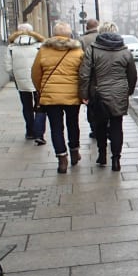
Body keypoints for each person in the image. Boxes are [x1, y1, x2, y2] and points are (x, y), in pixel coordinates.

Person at [80, 20, 137, 171]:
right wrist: (128, 91)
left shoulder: (92, 50)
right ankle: (116, 160)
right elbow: (132, 75)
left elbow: (85, 74)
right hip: (119, 92)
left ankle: (102, 154)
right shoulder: (125, 51)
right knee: (117, 125)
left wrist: (84, 94)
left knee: (100, 125)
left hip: (98, 93)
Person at [31, 21, 85, 174]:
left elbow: (35, 73)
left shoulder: (43, 50)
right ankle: (74, 151)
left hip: (51, 96)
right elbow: (83, 73)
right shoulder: (77, 51)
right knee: (73, 124)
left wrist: (41, 89)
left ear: (54, 34)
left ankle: (62, 158)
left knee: (56, 127)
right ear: (70, 35)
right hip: (72, 95)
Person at [4, 22, 47, 145]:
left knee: (26, 106)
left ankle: (30, 131)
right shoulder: (39, 45)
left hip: (21, 82)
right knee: (40, 106)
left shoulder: (11, 47)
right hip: (38, 80)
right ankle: (39, 133)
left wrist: (16, 75)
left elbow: (8, 67)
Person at [80, 18, 100, 137]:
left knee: (91, 104)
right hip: (102, 75)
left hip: (89, 76)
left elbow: (80, 60)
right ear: (97, 26)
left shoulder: (82, 40)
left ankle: (94, 128)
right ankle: (104, 126)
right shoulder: (102, 37)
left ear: (87, 27)